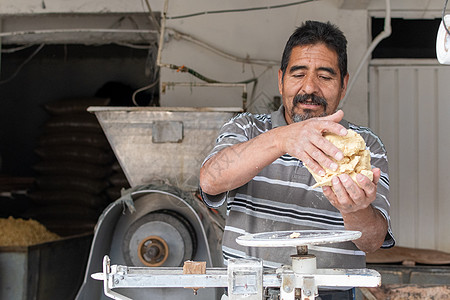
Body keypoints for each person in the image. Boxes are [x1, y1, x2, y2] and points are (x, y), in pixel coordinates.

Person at [199, 20, 395, 299]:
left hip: (331, 294)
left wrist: (355, 210)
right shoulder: (246, 129)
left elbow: (373, 241)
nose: (310, 88)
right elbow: (209, 180)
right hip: (251, 291)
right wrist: (283, 138)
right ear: (281, 80)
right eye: (298, 74)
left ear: (344, 84)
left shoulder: (363, 147)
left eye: (325, 77)